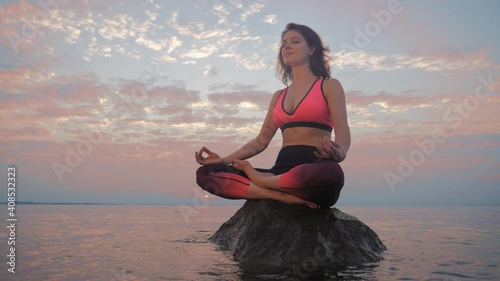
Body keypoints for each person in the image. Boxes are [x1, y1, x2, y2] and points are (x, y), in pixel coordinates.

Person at [195, 23, 350, 209]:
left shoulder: (329, 86)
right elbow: (260, 141)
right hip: (278, 174)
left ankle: (262, 182)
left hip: (312, 171)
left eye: (295, 41)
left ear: (312, 49)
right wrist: (222, 160)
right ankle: (278, 194)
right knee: (206, 174)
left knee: (332, 174)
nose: (287, 46)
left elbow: (342, 128)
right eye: (284, 43)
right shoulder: (279, 96)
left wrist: (340, 152)